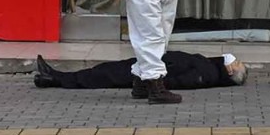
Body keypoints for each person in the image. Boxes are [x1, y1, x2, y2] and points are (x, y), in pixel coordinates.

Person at [33, 52, 248, 90]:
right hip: (151, 63)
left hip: (149, 71)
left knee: (102, 76)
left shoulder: (209, 75)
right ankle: (51, 78)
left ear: (231, 72)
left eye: (237, 63)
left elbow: (181, 81)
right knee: (104, 70)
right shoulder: (213, 67)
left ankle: (54, 78)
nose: (234, 60)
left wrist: (151, 80)